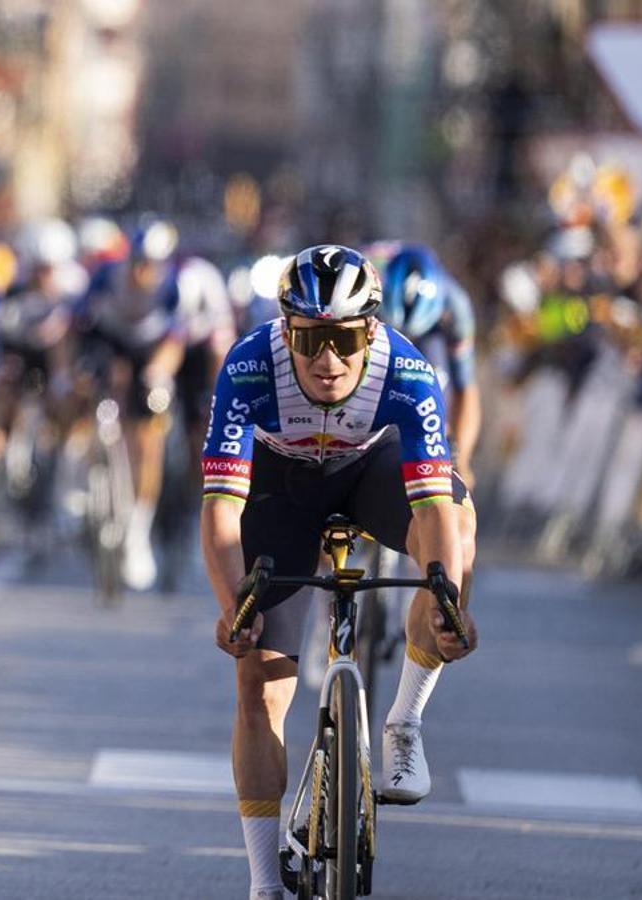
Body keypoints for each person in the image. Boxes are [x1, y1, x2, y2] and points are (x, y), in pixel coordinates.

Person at [198, 245, 478, 899]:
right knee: (259, 684)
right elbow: (219, 515)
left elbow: (434, 507)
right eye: (311, 338)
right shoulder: (248, 367)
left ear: (371, 332)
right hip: (279, 490)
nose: (328, 359)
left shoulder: (406, 368)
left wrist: (447, 598)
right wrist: (231, 606)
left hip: (366, 473)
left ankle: (404, 719)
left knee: (458, 528)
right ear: (286, 329)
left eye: (345, 338)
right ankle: (265, 883)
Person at [75, 217, 187, 590]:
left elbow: (175, 340)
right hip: (108, 343)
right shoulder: (106, 276)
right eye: (138, 262)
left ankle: (138, 532)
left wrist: (159, 374)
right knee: (93, 394)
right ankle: (85, 477)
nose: (144, 271)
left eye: (152, 265)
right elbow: (79, 325)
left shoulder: (171, 288)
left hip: (148, 352)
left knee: (148, 440)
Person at [375, 242, 481, 487]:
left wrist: (462, 460)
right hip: (381, 325)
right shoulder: (370, 283)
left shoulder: (456, 306)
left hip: (432, 335)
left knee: (434, 379)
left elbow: (465, 388)